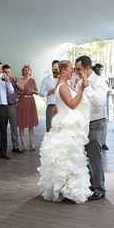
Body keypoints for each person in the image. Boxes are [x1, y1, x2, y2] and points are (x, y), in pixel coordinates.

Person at [38, 60, 92, 203]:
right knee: (67, 157)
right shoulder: (62, 86)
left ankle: (65, 187)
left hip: (65, 120)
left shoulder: (64, 84)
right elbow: (72, 104)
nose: (72, 70)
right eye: (70, 69)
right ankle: (66, 188)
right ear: (63, 71)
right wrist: (80, 91)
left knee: (68, 157)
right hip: (66, 123)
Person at [74, 55, 108, 201]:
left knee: (95, 156)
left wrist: (87, 87)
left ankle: (99, 189)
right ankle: (90, 185)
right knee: (85, 156)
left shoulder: (99, 81)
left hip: (97, 122)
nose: (76, 72)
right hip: (83, 122)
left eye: (78, 69)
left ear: (88, 68)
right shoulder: (79, 81)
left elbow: (100, 102)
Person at [16, 64, 39, 150]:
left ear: (30, 71)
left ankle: (31, 143)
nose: (26, 72)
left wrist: (32, 90)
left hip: (31, 102)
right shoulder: (19, 81)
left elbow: (37, 92)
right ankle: (23, 142)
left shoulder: (33, 80)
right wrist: (24, 92)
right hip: (22, 101)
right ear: (23, 71)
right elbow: (17, 93)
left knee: (31, 124)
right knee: (21, 123)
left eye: (28, 70)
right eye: (25, 70)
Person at [2, 64, 23, 154]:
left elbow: (22, 89)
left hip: (12, 105)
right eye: (5, 72)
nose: (7, 74)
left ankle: (16, 146)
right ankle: (1, 147)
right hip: (2, 105)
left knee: (14, 126)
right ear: (2, 72)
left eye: (8, 72)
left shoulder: (14, 80)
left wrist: (15, 79)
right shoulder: (0, 80)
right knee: (2, 127)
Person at [39, 60, 60, 133]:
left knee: (61, 129)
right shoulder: (46, 79)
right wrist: (49, 92)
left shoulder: (64, 79)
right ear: (51, 68)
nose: (56, 68)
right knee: (50, 129)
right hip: (51, 107)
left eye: (57, 67)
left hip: (62, 107)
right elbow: (41, 93)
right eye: (54, 67)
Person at [93, 63, 110, 150]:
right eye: (99, 69)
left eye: (101, 69)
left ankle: (103, 141)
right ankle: (99, 142)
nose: (100, 71)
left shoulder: (104, 79)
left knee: (105, 124)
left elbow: (108, 91)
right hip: (96, 107)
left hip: (105, 103)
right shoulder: (94, 80)